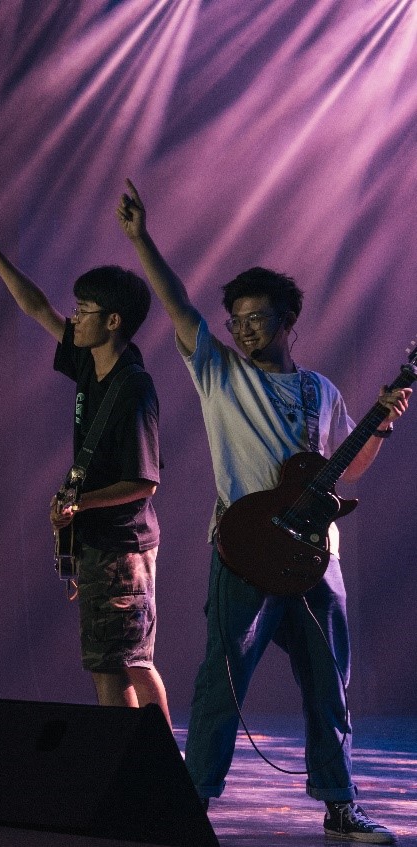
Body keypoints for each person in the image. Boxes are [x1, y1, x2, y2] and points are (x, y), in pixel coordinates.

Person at [118, 179, 407, 843]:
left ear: (287, 319)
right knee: (222, 682)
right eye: (237, 320)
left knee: (329, 687)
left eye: (257, 317)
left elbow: (343, 469)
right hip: (244, 549)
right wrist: (140, 237)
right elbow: (178, 305)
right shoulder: (221, 372)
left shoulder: (319, 391)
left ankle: (339, 808)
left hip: (314, 557)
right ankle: (190, 805)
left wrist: (381, 425)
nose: (244, 328)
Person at [0, 222, 171, 728]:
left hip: (123, 545)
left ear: (113, 320)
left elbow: (144, 482)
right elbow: (38, 308)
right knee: (126, 661)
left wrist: (83, 503)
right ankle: (155, 766)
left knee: (117, 665)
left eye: (83, 310)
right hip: (103, 541)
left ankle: (139, 767)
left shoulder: (133, 387)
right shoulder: (88, 362)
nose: (73, 317)